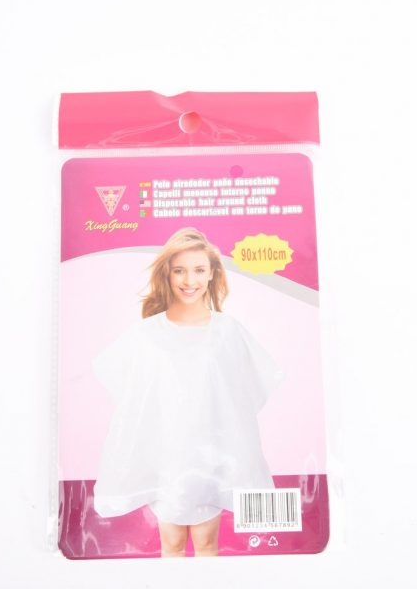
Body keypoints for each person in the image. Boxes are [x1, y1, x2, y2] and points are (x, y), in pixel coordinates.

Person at [91, 227, 283, 557]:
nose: (189, 280)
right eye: (179, 270)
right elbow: (132, 399)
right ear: (167, 274)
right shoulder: (147, 335)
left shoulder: (227, 332)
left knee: (207, 544)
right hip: (167, 461)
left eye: (198, 270)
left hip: (211, 460)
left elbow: (243, 396)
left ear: (212, 274)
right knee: (172, 544)